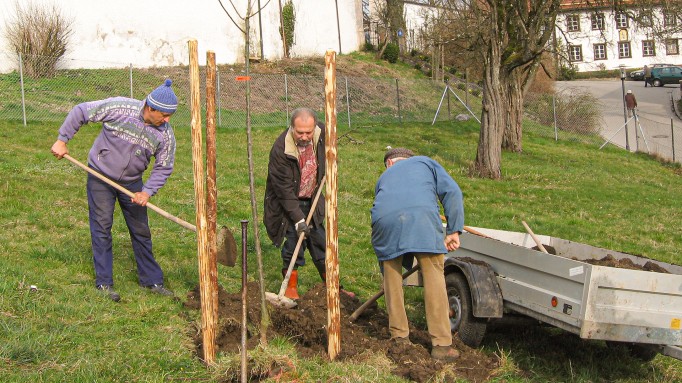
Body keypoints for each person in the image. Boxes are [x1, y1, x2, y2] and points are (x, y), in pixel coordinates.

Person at [50, 79, 178, 302]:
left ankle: (152, 280)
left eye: (169, 116)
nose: (167, 120)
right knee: (102, 227)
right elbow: (81, 111)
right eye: (164, 115)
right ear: (151, 107)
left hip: (132, 184)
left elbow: (164, 166)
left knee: (141, 231)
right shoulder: (120, 107)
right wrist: (62, 140)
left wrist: (147, 192)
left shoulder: (165, 134)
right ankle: (104, 283)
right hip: (100, 176)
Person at [370, 147, 464, 362]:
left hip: (384, 223)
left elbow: (382, 212)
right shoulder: (425, 163)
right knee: (433, 277)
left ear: (390, 163)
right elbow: (453, 192)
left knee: (391, 280)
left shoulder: (383, 178)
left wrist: (385, 264)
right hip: (422, 218)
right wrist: (454, 230)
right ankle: (441, 345)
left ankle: (399, 338)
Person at [264, 107, 327, 300]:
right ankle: (291, 287)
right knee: (293, 243)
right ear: (292, 128)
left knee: (321, 243)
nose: (305, 136)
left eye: (309, 132)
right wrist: (299, 219)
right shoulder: (280, 149)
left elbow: (329, 154)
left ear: (314, 127)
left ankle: (333, 286)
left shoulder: (323, 133)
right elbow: (283, 191)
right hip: (289, 202)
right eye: (300, 132)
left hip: (313, 198)